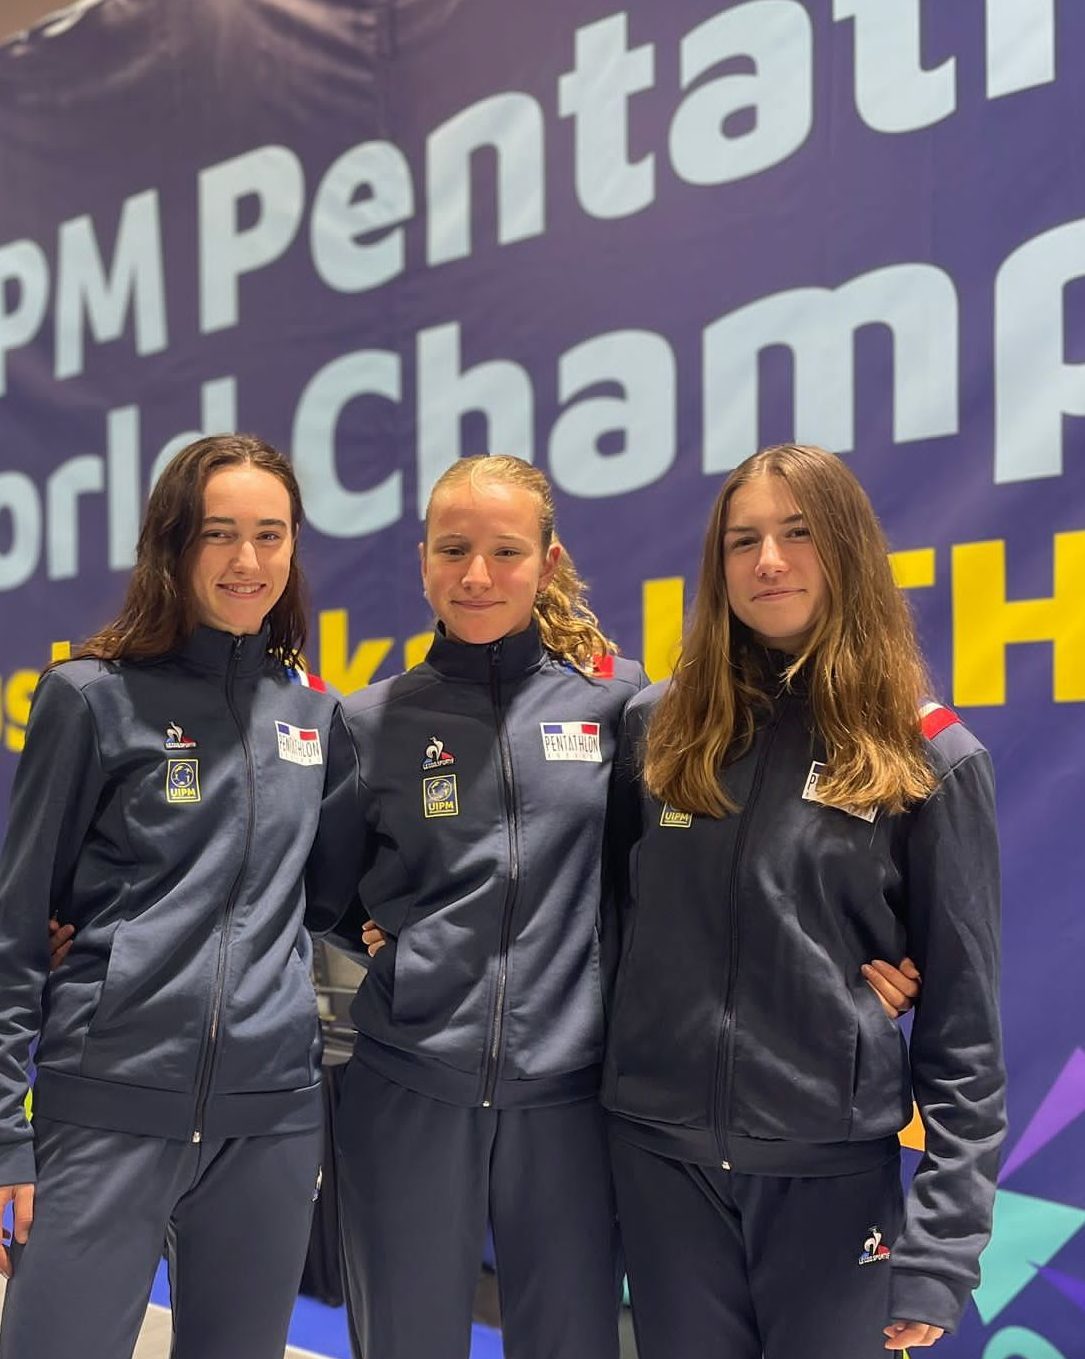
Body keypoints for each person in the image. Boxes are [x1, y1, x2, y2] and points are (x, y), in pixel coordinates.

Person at [307, 453, 922, 1359]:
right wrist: (395, 942)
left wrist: (855, 963)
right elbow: (326, 895)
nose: (477, 574)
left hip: (573, 1099)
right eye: (453, 548)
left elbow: (672, 879)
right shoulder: (368, 723)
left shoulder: (622, 708)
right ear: (422, 559)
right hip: (408, 1088)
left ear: (547, 562)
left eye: (506, 550)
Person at [600, 444, 1005, 1358]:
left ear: (848, 548)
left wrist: (941, 1248)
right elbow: (610, 930)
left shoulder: (928, 755)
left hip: (830, 1180)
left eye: (798, 533)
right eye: (743, 540)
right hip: (662, 1169)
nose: (769, 561)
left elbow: (965, 1034)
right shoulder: (658, 726)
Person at [0, 434, 358, 1359]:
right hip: (109, 1104)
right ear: (171, 542)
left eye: (270, 534)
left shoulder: (316, 715)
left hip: (270, 1120)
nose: (248, 560)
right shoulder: (90, 697)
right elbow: (16, 932)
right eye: (218, 533)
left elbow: (326, 902)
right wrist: (5, 1133)